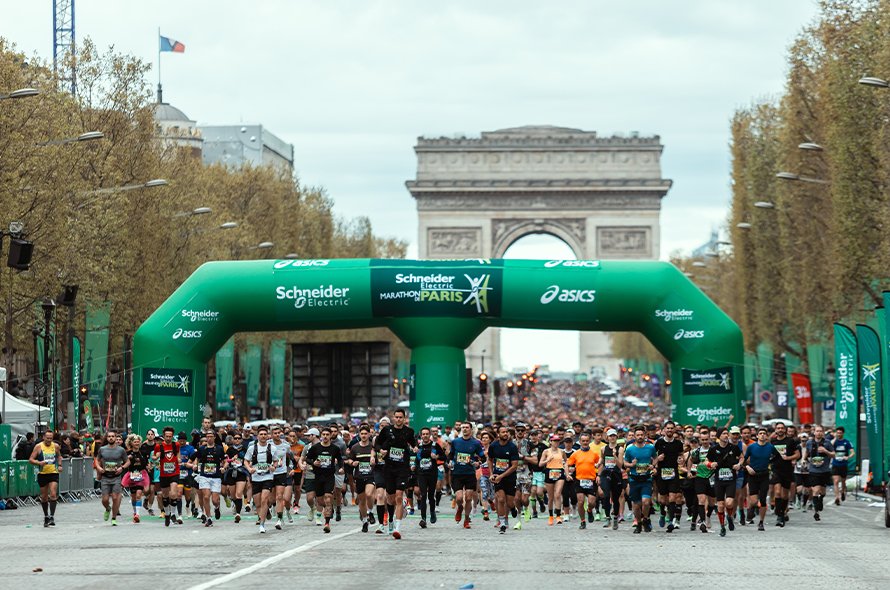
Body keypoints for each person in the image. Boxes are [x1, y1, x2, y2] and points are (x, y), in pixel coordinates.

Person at [375, 408, 417, 539]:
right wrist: (380, 450)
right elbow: (377, 443)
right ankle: (391, 521)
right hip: (389, 468)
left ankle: (397, 528)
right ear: (393, 418)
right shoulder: (387, 430)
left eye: (401, 417)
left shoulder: (409, 431)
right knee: (390, 498)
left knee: (399, 496)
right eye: (396, 417)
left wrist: (415, 447)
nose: (398, 419)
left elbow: (413, 443)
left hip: (402, 468)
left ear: (404, 419)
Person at [304, 427, 344, 534]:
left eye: (327, 434)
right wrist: (313, 463)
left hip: (329, 476)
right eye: (324, 434)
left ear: (330, 436)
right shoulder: (315, 448)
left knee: (328, 498)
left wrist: (341, 467)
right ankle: (329, 509)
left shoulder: (335, 448)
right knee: (321, 501)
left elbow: (340, 459)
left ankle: (327, 523)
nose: (325, 436)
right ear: (321, 436)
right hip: (318, 476)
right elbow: (307, 458)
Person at [449, 422, 486, 530]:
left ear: (471, 429)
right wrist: (450, 462)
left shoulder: (475, 443)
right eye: (463, 427)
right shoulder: (455, 442)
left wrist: (478, 463)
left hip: (470, 474)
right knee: (459, 498)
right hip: (457, 473)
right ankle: (460, 507)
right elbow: (450, 455)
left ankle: (466, 519)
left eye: (467, 427)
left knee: (469, 498)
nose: (464, 429)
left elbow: (482, 458)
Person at [707, 427, 743, 537]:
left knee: (729, 503)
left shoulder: (734, 447)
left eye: (727, 433)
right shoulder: (714, 449)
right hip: (719, 480)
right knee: (721, 505)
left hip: (731, 480)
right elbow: (706, 461)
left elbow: (742, 457)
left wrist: (739, 464)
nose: (726, 435)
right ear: (719, 436)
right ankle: (722, 527)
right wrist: (710, 464)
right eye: (723, 434)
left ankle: (730, 516)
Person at [244, 425, 279, 534]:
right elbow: (245, 461)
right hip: (256, 477)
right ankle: (265, 511)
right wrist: (249, 469)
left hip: (268, 477)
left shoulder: (272, 448)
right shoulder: (252, 448)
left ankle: (262, 524)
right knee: (258, 503)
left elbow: (276, 461)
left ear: (267, 436)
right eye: (261, 434)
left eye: (265, 434)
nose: (263, 436)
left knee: (264, 499)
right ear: (257, 436)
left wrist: (274, 467)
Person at [653, 420, 684, 533]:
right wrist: (657, 460)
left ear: (674, 430)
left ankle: (671, 521)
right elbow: (652, 457)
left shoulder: (678, 443)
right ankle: (662, 513)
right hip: (661, 472)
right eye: (668, 428)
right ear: (664, 430)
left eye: (672, 428)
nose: (670, 430)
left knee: (672, 498)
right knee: (662, 499)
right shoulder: (658, 443)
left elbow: (681, 455)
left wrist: (681, 460)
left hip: (673, 472)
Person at [624, 426, 656, 533]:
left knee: (646, 502)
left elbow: (655, 458)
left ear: (645, 435)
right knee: (636, 506)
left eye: (642, 435)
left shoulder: (650, 447)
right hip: (634, 479)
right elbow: (625, 463)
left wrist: (653, 466)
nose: (640, 437)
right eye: (638, 435)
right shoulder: (629, 449)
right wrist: (631, 464)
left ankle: (646, 519)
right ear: (634, 436)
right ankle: (639, 523)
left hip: (646, 479)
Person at [190, 431, 226, 527]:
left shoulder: (219, 448)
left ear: (214, 437)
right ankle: (209, 517)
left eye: (211, 436)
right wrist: (193, 465)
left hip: (216, 477)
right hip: (204, 476)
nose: (209, 438)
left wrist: (224, 467)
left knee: (215, 500)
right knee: (206, 497)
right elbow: (192, 459)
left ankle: (217, 507)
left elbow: (225, 460)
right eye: (207, 437)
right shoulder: (201, 449)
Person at [488, 425, 519, 534]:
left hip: (509, 478)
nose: (505, 434)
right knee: (501, 499)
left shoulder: (512, 447)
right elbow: (490, 460)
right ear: (498, 434)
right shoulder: (493, 446)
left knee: (509, 503)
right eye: (503, 432)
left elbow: (514, 466)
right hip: (497, 478)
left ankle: (513, 508)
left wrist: (502, 476)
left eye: (507, 432)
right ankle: (502, 523)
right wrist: (492, 474)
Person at [95, 429, 129, 526]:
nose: (111, 438)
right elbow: (97, 460)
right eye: (109, 436)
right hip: (105, 477)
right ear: (107, 438)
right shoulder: (102, 449)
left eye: (112, 436)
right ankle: (108, 508)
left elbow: (127, 462)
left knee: (115, 497)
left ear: (115, 437)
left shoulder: (121, 450)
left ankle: (114, 518)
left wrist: (122, 468)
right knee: (105, 500)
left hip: (116, 477)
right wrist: (99, 467)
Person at [566, 431, 599, 530]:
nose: (585, 442)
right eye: (583, 441)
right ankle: (583, 521)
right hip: (579, 480)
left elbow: (601, 464)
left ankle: (589, 510)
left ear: (590, 441)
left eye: (587, 441)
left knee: (592, 502)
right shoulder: (576, 454)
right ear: (579, 441)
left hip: (591, 480)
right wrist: (567, 474)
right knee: (580, 502)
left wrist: (599, 475)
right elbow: (567, 464)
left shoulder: (594, 454)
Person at [744, 426, 775, 531]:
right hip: (753, 475)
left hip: (764, 475)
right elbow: (743, 460)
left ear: (766, 436)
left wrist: (772, 466)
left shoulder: (770, 447)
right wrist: (747, 467)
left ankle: (761, 522)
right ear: (757, 436)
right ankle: (751, 508)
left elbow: (777, 458)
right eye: (760, 433)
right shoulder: (752, 447)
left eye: (764, 433)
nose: (762, 435)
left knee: (762, 500)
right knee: (753, 500)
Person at [769, 422, 800, 527]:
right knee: (777, 492)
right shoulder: (772, 441)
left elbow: (797, 454)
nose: (780, 430)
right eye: (778, 428)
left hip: (787, 470)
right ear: (775, 430)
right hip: (776, 470)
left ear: (785, 430)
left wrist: (788, 458)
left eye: (782, 428)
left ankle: (782, 513)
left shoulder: (790, 441)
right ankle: (779, 514)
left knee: (784, 495)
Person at [347, 424, 376, 532]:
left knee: (369, 494)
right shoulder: (355, 447)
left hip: (370, 475)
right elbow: (349, 460)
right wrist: (352, 462)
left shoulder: (372, 448)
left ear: (369, 434)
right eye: (362, 433)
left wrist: (374, 461)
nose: (364, 435)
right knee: (362, 501)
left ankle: (370, 512)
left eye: (365, 434)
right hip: (359, 476)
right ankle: (364, 521)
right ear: (359, 434)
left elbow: (379, 459)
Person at [29, 430, 61, 527]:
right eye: (47, 438)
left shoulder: (55, 446)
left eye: (51, 438)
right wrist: (39, 463)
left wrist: (59, 465)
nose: (49, 440)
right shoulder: (38, 447)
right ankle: (46, 516)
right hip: (42, 474)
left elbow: (59, 457)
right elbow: (31, 459)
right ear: (44, 437)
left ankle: (52, 516)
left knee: (53, 494)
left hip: (53, 473)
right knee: (44, 497)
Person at [414, 426, 444, 529]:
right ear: (421, 436)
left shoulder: (435, 446)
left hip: (432, 474)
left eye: (427, 434)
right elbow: (416, 460)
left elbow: (444, 456)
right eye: (423, 434)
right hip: (422, 474)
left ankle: (432, 512)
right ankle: (423, 519)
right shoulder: (418, 446)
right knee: (423, 495)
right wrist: (414, 465)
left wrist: (437, 457)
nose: (425, 436)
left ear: (429, 435)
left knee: (431, 495)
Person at [804, 425, 834, 521]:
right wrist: (805, 460)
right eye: (817, 431)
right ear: (814, 432)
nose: (819, 433)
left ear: (823, 432)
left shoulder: (827, 442)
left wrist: (825, 451)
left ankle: (820, 500)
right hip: (813, 470)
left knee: (823, 492)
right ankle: (816, 512)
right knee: (816, 490)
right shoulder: (809, 442)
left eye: (821, 431)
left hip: (825, 470)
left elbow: (833, 455)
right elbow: (807, 453)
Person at [597, 428, 624, 530]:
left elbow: (620, 465)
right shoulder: (603, 449)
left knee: (616, 499)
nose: (612, 438)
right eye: (610, 436)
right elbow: (602, 459)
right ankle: (608, 517)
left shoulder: (620, 449)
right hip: (606, 474)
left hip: (616, 474)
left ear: (616, 437)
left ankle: (615, 518)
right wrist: (599, 464)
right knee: (606, 495)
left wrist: (615, 456)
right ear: (607, 437)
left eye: (614, 436)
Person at [539, 433, 567, 525]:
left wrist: (567, 473)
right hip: (549, 472)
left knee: (558, 494)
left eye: (558, 441)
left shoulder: (562, 451)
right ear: (550, 442)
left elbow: (566, 462)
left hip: (559, 472)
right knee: (551, 497)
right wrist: (548, 460)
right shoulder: (546, 451)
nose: (556, 442)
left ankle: (558, 516)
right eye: (554, 441)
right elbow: (540, 464)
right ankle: (551, 516)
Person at [123, 434, 150, 523]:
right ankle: (135, 513)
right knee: (134, 496)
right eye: (135, 442)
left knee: (139, 494)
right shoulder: (128, 453)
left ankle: (138, 514)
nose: (137, 443)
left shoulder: (143, 452)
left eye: (138, 442)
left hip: (141, 474)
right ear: (131, 443)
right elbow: (123, 463)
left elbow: (147, 463)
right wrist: (127, 459)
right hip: (131, 475)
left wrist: (149, 466)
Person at [831, 426, 854, 505]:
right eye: (837, 433)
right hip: (835, 464)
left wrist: (848, 457)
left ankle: (843, 492)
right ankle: (837, 498)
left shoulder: (847, 442)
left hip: (843, 465)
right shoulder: (834, 442)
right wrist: (835, 438)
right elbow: (830, 446)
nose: (839, 434)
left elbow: (852, 452)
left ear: (843, 433)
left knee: (843, 481)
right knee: (836, 481)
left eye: (840, 433)